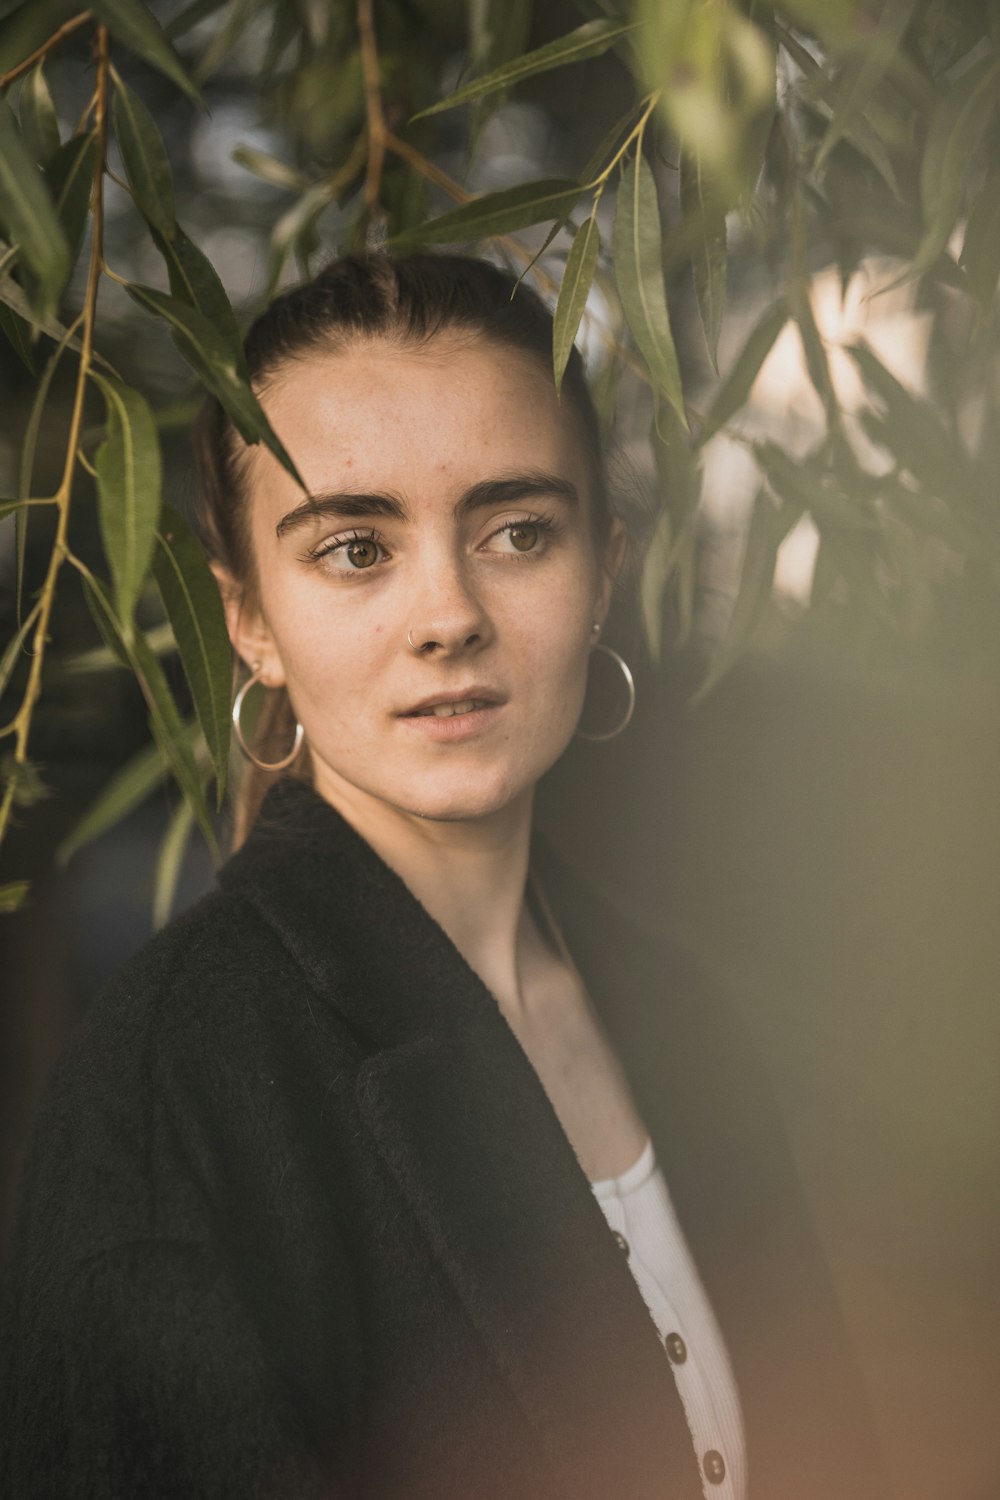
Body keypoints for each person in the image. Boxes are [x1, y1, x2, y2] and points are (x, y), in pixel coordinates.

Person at [0, 252, 889, 1500]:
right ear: (247, 620)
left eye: (518, 532)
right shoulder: (168, 1105)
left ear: (604, 575)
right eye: (356, 549)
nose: (448, 614)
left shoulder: (681, 1008)